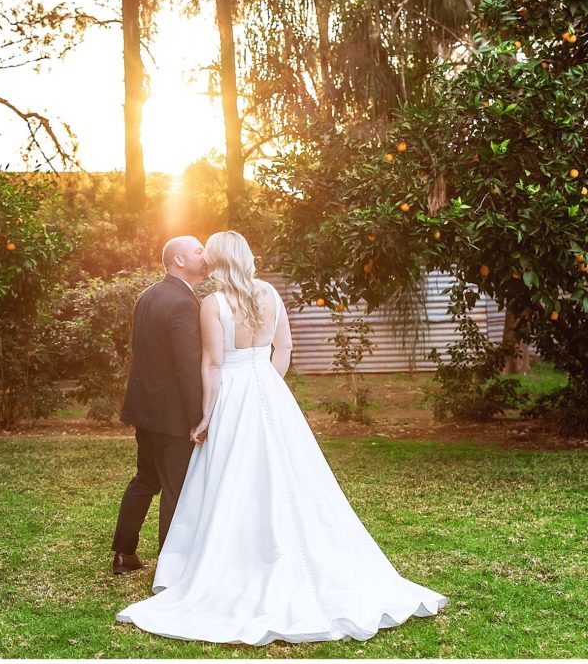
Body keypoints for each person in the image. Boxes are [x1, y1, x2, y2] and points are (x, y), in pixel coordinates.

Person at [116, 231, 448, 644]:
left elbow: (213, 365)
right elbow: (285, 348)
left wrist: (206, 415)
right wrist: (266, 387)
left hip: (233, 395)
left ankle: (223, 559)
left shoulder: (213, 304)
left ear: (217, 261)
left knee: (230, 480)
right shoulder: (271, 293)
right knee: (294, 478)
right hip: (269, 393)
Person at [110, 235, 209, 576]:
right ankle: (172, 565)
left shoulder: (147, 295)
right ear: (179, 260)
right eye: (199, 250)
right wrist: (199, 416)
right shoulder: (183, 302)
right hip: (171, 415)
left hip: (146, 410)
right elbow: (187, 364)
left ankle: (124, 554)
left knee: (145, 479)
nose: (205, 254)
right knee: (175, 488)